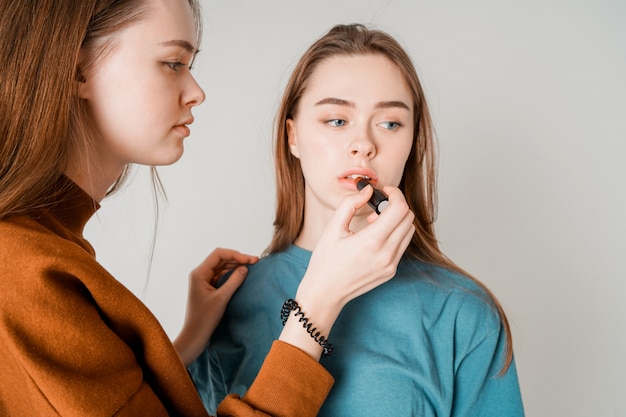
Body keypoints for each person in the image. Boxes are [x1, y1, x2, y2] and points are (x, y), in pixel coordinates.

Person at [0, 1, 416, 415]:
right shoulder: (23, 270)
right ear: (77, 70)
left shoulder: (37, 257)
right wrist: (317, 304)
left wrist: (183, 347)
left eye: (392, 123)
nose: (197, 92)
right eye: (172, 62)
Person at [190, 23, 525, 416]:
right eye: (336, 120)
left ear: (412, 143)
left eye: (390, 123)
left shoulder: (463, 314)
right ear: (292, 137)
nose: (364, 144)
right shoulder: (230, 303)